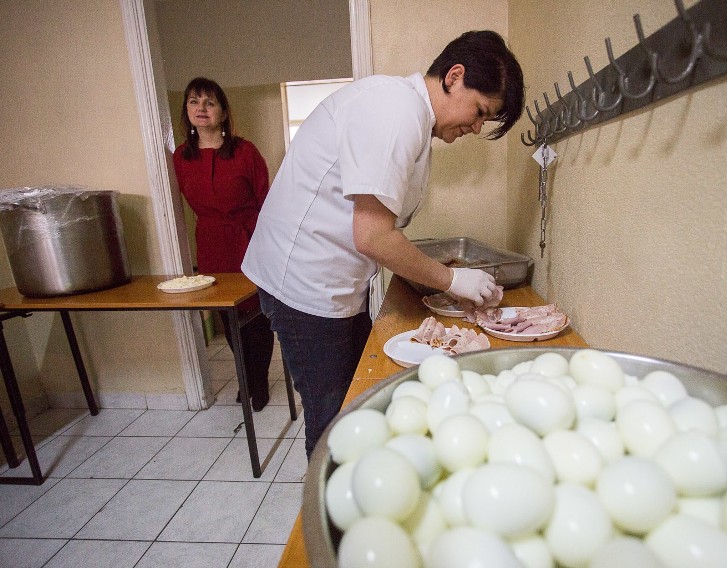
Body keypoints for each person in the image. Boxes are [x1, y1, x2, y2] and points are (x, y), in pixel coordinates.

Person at [242, 30, 525, 456]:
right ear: (454, 76)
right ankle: (329, 510)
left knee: (359, 401)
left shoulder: (411, 117)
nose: (477, 126)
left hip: (332, 282)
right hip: (302, 285)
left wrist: (447, 280)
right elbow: (373, 236)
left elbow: (380, 226)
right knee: (333, 417)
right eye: (480, 111)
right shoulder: (394, 111)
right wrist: (452, 280)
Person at [173, 77, 274, 412]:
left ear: (223, 111)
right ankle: (245, 376)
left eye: (210, 102)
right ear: (186, 110)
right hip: (211, 245)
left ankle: (258, 382)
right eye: (194, 101)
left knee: (256, 317)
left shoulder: (245, 152)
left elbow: (267, 204)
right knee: (227, 317)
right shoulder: (180, 158)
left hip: (249, 240)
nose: (201, 108)